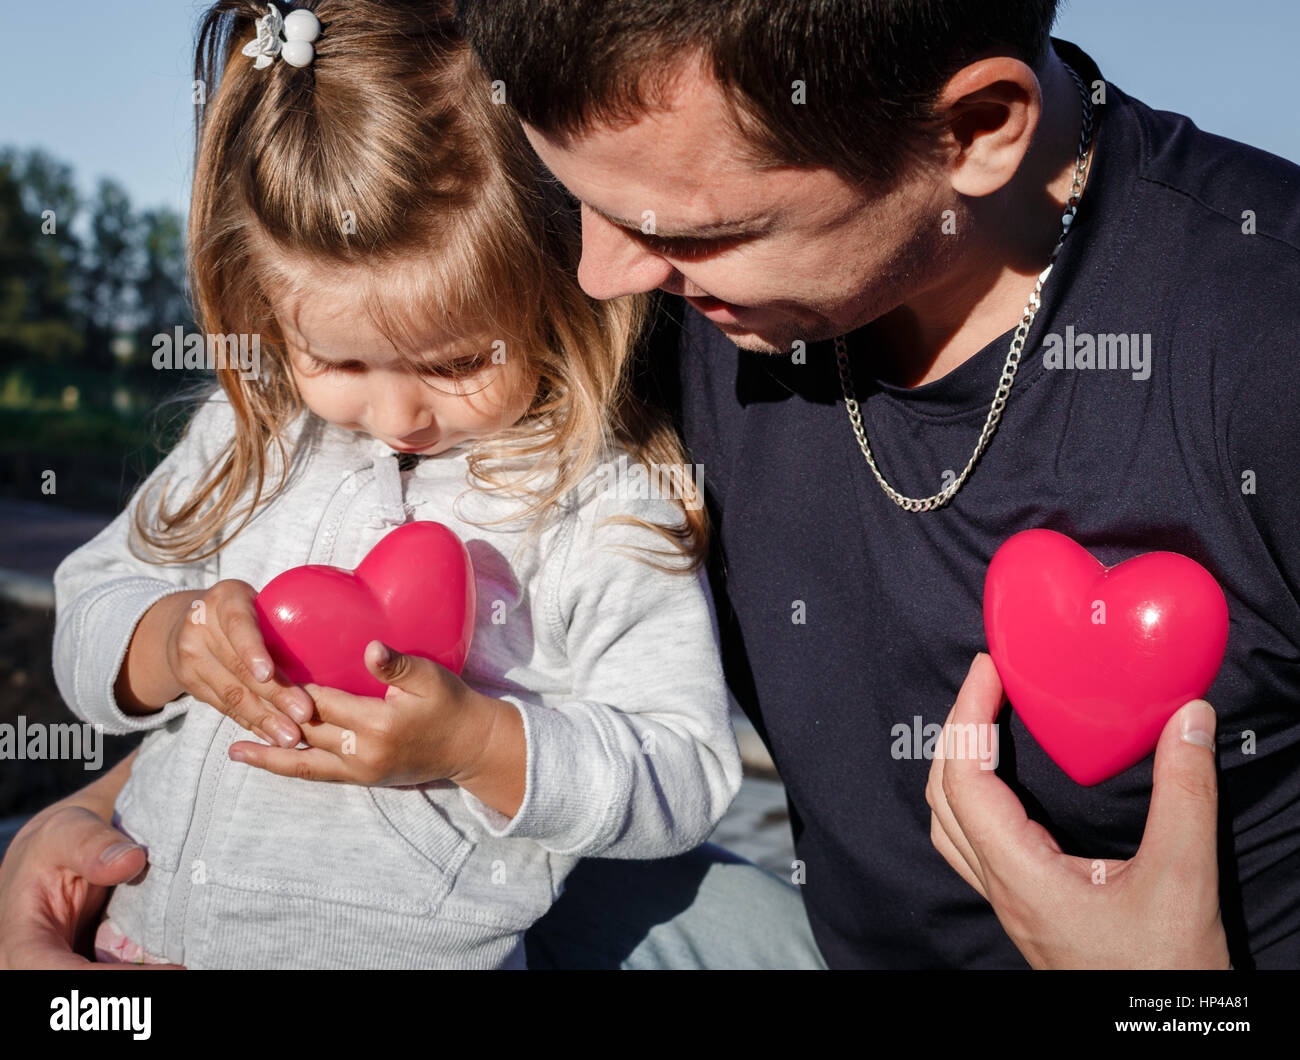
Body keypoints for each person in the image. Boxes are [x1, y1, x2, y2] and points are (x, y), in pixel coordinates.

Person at [453, 0, 1300, 968]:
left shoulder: (1264, 353)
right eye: (576, 199)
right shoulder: (656, 286)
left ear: (976, 128)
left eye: (691, 234)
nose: (599, 276)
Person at [23, 0, 749, 969]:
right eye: (339, 361)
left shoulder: (593, 499)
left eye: (454, 363)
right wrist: (175, 637)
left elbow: (685, 765)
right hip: (143, 941)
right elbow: (89, 604)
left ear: (544, 284)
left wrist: (478, 743)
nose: (400, 414)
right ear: (267, 309)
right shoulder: (251, 438)